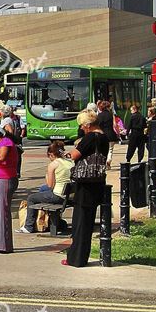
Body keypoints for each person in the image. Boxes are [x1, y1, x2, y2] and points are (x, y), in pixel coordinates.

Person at [63, 109, 108, 267]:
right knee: (87, 222)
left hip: (85, 183)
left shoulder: (90, 137)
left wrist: (65, 154)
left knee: (80, 222)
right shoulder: (104, 137)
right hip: (98, 182)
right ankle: (78, 256)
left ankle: (76, 258)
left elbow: (74, 155)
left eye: (82, 125)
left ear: (89, 125)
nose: (81, 128)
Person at [18, 141, 73, 233]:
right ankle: (50, 220)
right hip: (69, 195)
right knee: (43, 190)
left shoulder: (53, 165)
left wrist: (47, 175)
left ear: (51, 154)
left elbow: (50, 185)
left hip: (58, 196)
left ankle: (29, 226)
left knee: (31, 198)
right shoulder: (69, 162)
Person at [95, 100, 119, 168]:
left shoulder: (99, 115)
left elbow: (98, 125)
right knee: (110, 150)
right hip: (111, 134)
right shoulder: (111, 115)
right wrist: (118, 133)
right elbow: (115, 125)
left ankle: (103, 162)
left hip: (102, 135)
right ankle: (109, 160)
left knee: (103, 150)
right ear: (108, 107)